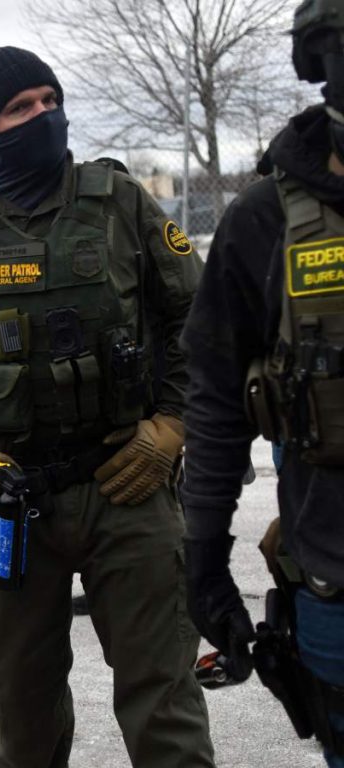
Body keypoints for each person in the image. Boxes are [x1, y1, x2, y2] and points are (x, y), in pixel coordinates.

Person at [0, 47, 214, 767]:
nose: (43, 116)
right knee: (24, 702)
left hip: (127, 482)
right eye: (20, 107)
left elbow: (200, 321)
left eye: (49, 99)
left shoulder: (122, 203)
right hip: (8, 497)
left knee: (163, 696)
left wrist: (172, 425)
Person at [181, 2, 344, 763]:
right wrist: (204, 554)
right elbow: (216, 398)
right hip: (335, 578)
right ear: (320, 57)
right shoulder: (266, 218)